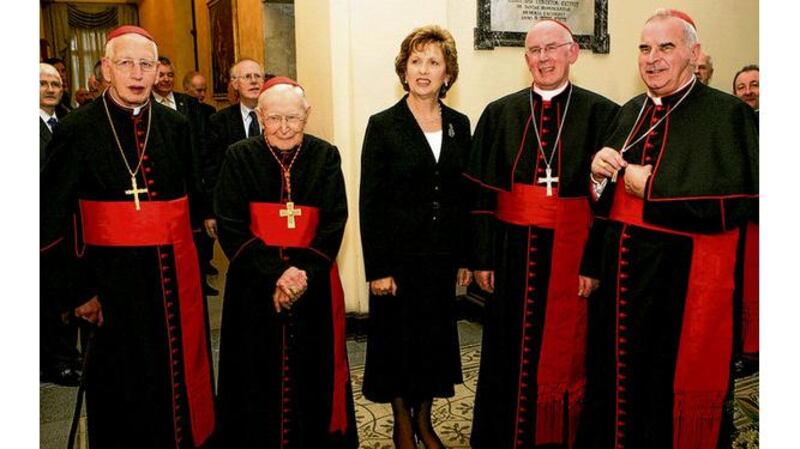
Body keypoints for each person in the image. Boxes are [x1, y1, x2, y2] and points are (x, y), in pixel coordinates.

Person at [577, 10, 758, 449]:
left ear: (694, 54)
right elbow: (606, 203)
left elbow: (741, 202)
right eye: (644, 48)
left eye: (666, 47)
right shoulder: (631, 111)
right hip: (620, 284)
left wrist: (652, 186)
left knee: (660, 389)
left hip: (678, 286)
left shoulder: (728, 115)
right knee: (616, 380)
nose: (652, 59)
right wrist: (598, 175)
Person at [40, 25, 216, 448]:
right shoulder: (77, 129)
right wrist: (79, 292)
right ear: (105, 68)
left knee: (175, 381)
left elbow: (195, 202)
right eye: (126, 64)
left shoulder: (176, 125)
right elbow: (50, 221)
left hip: (173, 284)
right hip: (109, 287)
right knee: (119, 391)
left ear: (157, 71)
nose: (137, 74)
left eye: (146, 64)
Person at [464, 19, 619, 449]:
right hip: (511, 255)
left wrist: (594, 263)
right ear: (525, 58)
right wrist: (481, 258)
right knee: (508, 352)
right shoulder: (500, 113)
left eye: (553, 48)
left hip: (572, 255)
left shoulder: (603, 113)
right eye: (535, 51)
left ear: (574, 53)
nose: (544, 58)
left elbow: (609, 205)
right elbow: (480, 195)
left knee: (574, 353)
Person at [214, 76, 358, 449]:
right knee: (254, 375)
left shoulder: (325, 155)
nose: (283, 128)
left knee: (313, 374)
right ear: (260, 116)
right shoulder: (239, 156)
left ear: (306, 115)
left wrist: (301, 274)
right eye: (274, 119)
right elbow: (231, 226)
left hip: (312, 285)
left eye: (292, 119)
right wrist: (277, 274)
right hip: (255, 287)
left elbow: (334, 221)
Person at [359, 25, 472, 449]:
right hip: (398, 261)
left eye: (433, 62)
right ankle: (401, 422)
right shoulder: (383, 125)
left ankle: (424, 419)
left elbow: (465, 197)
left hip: (440, 260)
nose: (424, 70)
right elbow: (369, 201)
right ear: (404, 70)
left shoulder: (460, 124)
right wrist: (379, 268)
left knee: (433, 342)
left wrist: (465, 255)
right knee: (398, 344)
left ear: (447, 73)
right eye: (416, 61)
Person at [153, 55, 218, 296]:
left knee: (198, 243)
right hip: (161, 192)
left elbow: (203, 147)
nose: (166, 79)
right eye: (161, 74)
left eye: (170, 74)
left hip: (192, 187)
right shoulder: (145, 104)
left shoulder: (189, 105)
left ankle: (198, 283)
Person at [39, 62, 83, 387]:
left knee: (64, 292)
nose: (51, 89)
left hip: (67, 226)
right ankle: (51, 360)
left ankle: (66, 356)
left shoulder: (69, 121)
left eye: (56, 83)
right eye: (43, 83)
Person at [205, 59, 265, 243]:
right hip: (234, 210)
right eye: (247, 77)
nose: (254, 81)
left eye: (258, 76)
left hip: (270, 207)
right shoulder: (219, 121)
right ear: (235, 84)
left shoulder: (278, 119)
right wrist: (210, 211)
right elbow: (211, 169)